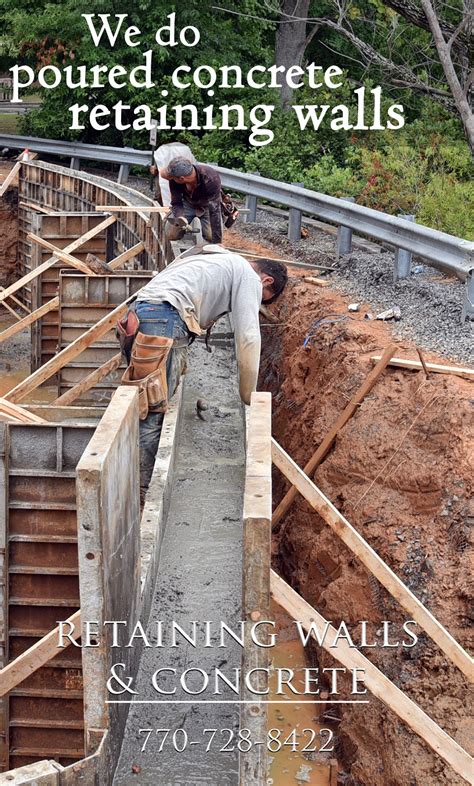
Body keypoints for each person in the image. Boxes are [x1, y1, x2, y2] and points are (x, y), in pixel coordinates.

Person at [130, 245, 288, 495]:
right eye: (261, 298)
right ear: (265, 280)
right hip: (165, 317)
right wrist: (248, 396)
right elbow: (248, 337)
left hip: (141, 311)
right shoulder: (248, 276)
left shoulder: (217, 258)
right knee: (153, 407)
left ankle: (135, 477)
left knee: (143, 397)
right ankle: (143, 491)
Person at [161, 157, 223, 244]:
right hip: (187, 202)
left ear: (181, 178)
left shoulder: (210, 178)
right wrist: (180, 216)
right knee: (171, 234)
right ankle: (184, 230)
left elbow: (214, 210)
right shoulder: (174, 179)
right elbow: (176, 202)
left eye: (173, 178)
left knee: (211, 236)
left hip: (207, 205)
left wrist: (217, 243)